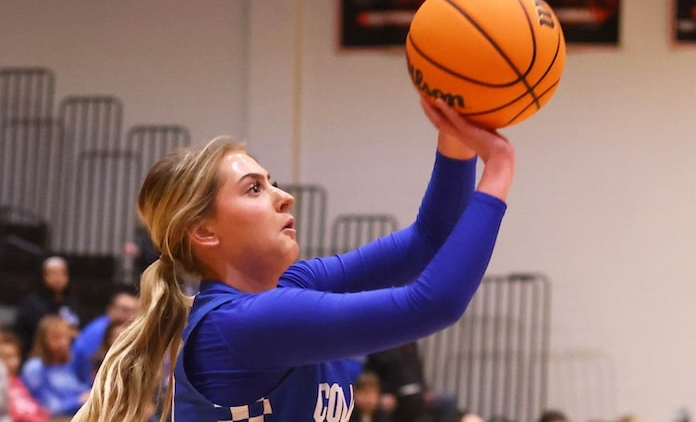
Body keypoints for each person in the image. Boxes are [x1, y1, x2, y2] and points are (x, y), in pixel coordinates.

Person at [73, 96, 515, 422]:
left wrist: (456, 130)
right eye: (254, 189)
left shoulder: (293, 285)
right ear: (204, 231)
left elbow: (430, 241)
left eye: (272, 182)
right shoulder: (240, 324)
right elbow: (433, 303)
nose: (284, 197)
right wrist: (498, 167)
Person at [364, 341, 459, 422]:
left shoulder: (411, 345)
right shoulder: (379, 348)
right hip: (395, 395)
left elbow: (417, 370)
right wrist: (383, 394)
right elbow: (372, 376)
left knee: (448, 401)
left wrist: (425, 390)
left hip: (417, 392)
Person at [20, 316, 90, 418]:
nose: (64, 343)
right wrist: (79, 400)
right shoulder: (34, 368)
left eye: (66, 337)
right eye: (57, 338)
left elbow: (80, 389)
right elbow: (49, 408)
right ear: (43, 340)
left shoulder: (69, 363)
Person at [13, 256, 81, 361]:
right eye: (53, 273)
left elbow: (76, 330)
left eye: (62, 273)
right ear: (44, 276)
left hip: (64, 360)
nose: (58, 278)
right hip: (37, 357)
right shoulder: (32, 303)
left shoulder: (72, 302)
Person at [69, 284, 139, 384]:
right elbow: (88, 365)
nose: (130, 316)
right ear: (111, 309)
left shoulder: (130, 329)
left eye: (134, 311)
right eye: (125, 310)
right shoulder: (98, 330)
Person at [0, 329, 50, 422]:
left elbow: (35, 406)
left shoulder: (19, 382)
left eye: (16, 356)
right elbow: (15, 414)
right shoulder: (4, 384)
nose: (13, 362)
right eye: (7, 357)